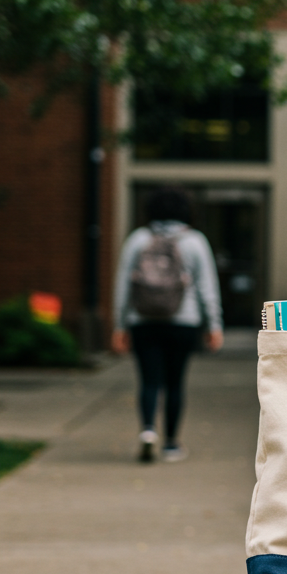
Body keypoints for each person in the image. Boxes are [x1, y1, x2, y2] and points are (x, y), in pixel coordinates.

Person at [112, 187, 223, 462]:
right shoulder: (195, 241)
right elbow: (207, 287)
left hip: (143, 321)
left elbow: (122, 285)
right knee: (175, 383)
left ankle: (148, 430)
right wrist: (214, 325)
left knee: (149, 381)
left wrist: (119, 325)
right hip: (183, 322)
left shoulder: (138, 239)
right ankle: (172, 444)